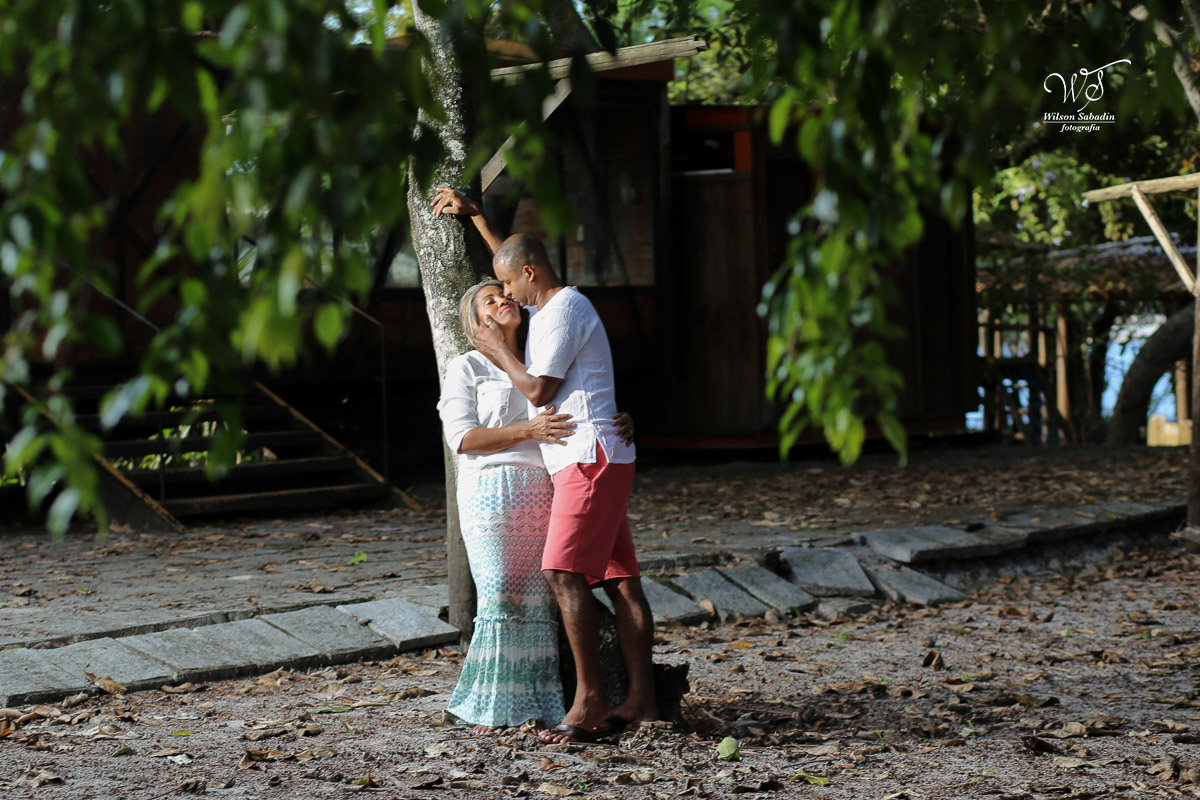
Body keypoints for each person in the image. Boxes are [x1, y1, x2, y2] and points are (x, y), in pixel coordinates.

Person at [436, 277, 634, 735]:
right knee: (500, 594)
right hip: (492, 491)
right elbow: (461, 438)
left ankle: (539, 703)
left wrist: (618, 419)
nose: (502, 299)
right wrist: (528, 431)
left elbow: (584, 397)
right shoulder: (466, 366)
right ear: (477, 323)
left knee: (541, 599)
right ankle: (489, 705)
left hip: (546, 488)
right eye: (489, 300)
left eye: (504, 293)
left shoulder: (540, 361)